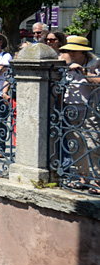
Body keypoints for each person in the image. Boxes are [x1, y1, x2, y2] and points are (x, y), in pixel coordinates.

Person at [57, 36, 100, 186]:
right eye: (69, 50)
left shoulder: (94, 64)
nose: (70, 53)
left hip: (89, 110)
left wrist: (83, 71)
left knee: (93, 144)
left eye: (74, 50)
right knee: (75, 145)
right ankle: (83, 178)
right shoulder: (65, 65)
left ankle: (97, 180)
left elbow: (97, 82)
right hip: (69, 109)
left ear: (82, 51)